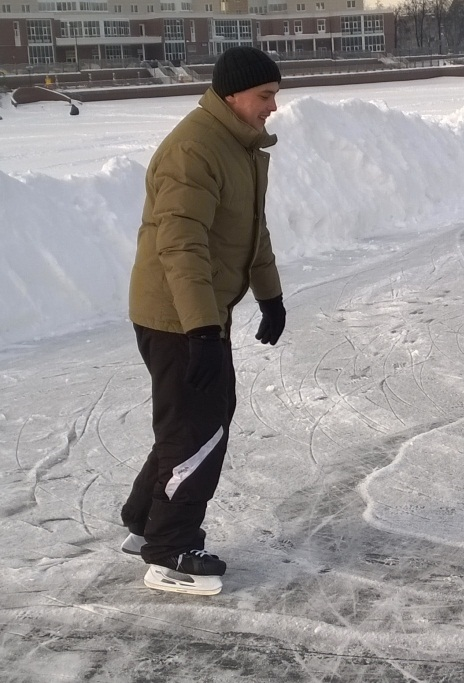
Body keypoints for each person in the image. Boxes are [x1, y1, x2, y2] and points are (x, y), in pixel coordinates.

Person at [119, 46, 287, 595]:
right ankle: (168, 552)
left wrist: (270, 296)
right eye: (265, 96)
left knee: (195, 420)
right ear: (234, 94)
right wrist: (202, 332)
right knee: (197, 431)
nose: (272, 108)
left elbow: (249, 231)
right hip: (176, 315)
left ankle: (148, 521)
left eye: (275, 96)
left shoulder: (239, 147)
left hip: (199, 313)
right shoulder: (195, 149)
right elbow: (181, 249)